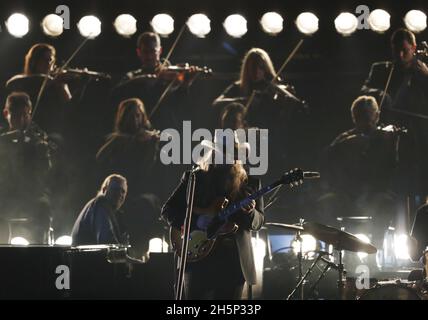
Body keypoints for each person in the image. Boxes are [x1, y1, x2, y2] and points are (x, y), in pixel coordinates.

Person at [161, 140, 265, 300]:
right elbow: (168, 210)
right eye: (221, 152)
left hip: (233, 261)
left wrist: (251, 212)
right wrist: (198, 221)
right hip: (199, 258)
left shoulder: (250, 184)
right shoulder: (194, 178)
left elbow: (260, 222)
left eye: (231, 153)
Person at [321, 96, 400, 241]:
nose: (365, 122)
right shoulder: (346, 138)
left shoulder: (385, 137)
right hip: (348, 194)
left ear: (377, 116)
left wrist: (393, 144)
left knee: (387, 202)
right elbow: (327, 157)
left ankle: (376, 248)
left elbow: (394, 168)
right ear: (354, 118)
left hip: (375, 193)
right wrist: (348, 144)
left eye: (368, 116)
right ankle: (336, 249)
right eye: (360, 117)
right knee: (326, 201)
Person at [361, 28, 428, 196]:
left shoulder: (422, 72)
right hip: (386, 136)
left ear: (414, 48)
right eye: (396, 50)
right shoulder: (381, 69)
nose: (400, 55)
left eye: (404, 50)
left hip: (419, 137)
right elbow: (364, 89)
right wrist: (379, 93)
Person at [96, 98, 162, 257]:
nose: (135, 120)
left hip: (139, 189)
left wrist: (152, 146)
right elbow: (102, 160)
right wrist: (132, 141)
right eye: (131, 116)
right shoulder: (115, 140)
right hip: (119, 192)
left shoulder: (147, 139)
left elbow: (146, 171)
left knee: (150, 203)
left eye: (138, 116)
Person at [114, 32, 198, 130]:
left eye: (152, 51)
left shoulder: (170, 75)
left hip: (166, 130)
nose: (149, 56)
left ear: (160, 50)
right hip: (138, 131)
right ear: (138, 52)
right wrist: (140, 80)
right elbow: (115, 94)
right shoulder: (132, 76)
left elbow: (178, 106)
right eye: (145, 52)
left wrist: (185, 85)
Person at [0, 92, 54, 243]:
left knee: (44, 206)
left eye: (26, 115)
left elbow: (44, 172)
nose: (22, 120)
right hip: (5, 194)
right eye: (16, 115)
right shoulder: (2, 138)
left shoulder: (37, 138)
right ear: (6, 113)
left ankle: (42, 247)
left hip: (31, 194)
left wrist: (41, 149)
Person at [5, 43, 72, 135]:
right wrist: (52, 82)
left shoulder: (56, 83)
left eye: (51, 60)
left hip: (51, 131)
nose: (49, 64)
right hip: (27, 130)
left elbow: (69, 106)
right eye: (45, 60)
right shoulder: (21, 81)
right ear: (34, 61)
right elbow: (16, 88)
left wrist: (63, 84)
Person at [71, 174, 128, 246]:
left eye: (123, 191)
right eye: (115, 189)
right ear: (104, 190)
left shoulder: (99, 206)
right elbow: (108, 242)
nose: (120, 194)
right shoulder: (101, 205)